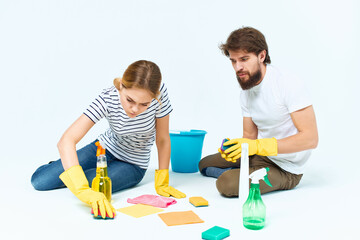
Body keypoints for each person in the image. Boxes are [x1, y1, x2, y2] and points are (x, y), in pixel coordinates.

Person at [31, 60, 186, 218]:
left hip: (133, 164)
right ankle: (63, 164)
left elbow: (162, 139)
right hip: (103, 148)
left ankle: (70, 166)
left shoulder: (160, 94)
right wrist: (81, 190)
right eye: (130, 100)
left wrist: (162, 179)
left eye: (144, 104)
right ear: (120, 86)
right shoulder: (108, 98)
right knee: (40, 182)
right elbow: (67, 140)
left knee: (95, 185)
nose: (135, 109)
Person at [199, 27, 318, 197]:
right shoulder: (246, 92)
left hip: (288, 168)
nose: (238, 67)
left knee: (226, 183)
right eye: (233, 61)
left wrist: (259, 146)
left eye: (244, 59)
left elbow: (311, 139)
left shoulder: (287, 83)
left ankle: (241, 174)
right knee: (203, 164)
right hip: (263, 156)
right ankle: (248, 171)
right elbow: (249, 138)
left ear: (262, 56)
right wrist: (235, 147)